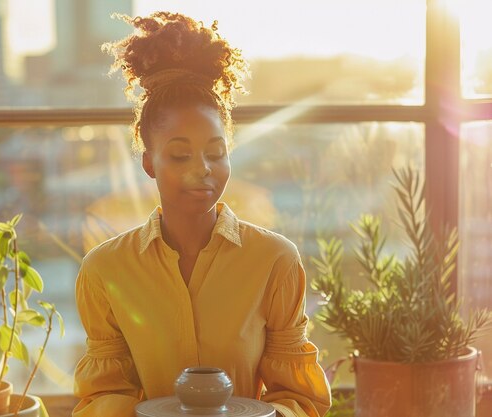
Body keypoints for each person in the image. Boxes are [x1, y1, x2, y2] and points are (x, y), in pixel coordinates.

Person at [72, 12, 331, 417]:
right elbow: (101, 397)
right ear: (149, 163)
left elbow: (299, 400)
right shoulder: (105, 269)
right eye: (179, 154)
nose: (203, 169)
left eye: (215, 153)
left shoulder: (275, 261)